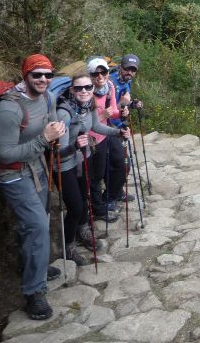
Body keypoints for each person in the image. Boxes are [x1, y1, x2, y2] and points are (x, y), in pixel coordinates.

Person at [0, 54, 65, 321]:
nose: (44, 79)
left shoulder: (47, 97)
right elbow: (4, 154)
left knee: (36, 222)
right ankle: (34, 291)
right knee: (37, 226)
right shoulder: (8, 110)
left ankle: (35, 266)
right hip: (12, 175)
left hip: (37, 168)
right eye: (37, 74)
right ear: (25, 76)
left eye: (48, 75)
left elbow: (51, 124)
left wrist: (58, 131)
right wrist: (44, 140)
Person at [53, 72, 129, 265]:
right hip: (63, 165)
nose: (84, 91)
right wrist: (75, 146)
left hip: (83, 158)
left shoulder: (90, 106)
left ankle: (83, 230)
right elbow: (58, 151)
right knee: (75, 206)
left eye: (88, 87)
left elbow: (96, 126)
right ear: (72, 90)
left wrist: (117, 132)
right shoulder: (64, 113)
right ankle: (69, 246)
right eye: (79, 88)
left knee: (85, 197)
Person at [86, 57, 125, 223]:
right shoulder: (85, 93)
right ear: (90, 75)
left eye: (104, 72)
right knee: (94, 176)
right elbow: (85, 123)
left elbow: (113, 110)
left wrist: (122, 111)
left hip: (103, 136)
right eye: (96, 73)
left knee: (103, 171)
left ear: (108, 73)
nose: (100, 76)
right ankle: (97, 209)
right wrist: (103, 115)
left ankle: (103, 203)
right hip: (89, 139)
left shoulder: (109, 87)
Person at [105, 54, 143, 210]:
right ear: (121, 67)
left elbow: (123, 105)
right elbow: (107, 110)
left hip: (121, 126)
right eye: (127, 68)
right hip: (109, 128)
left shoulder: (127, 81)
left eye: (133, 70)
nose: (130, 72)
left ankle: (117, 191)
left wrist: (133, 104)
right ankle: (109, 198)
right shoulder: (110, 83)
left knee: (125, 163)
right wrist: (123, 103)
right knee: (119, 164)